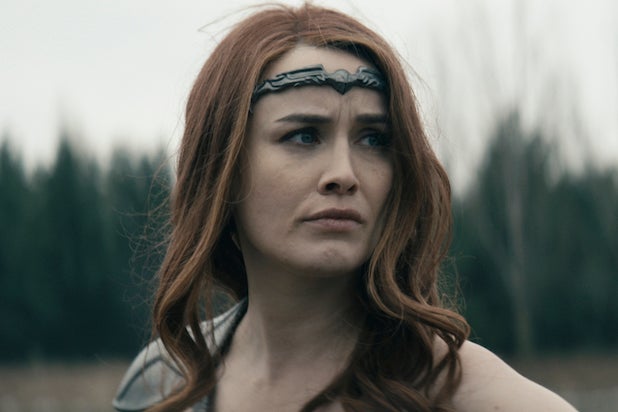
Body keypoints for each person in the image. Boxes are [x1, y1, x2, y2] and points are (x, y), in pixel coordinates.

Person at [113, 4, 577, 412]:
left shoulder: (463, 394)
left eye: (373, 139)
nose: (344, 174)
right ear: (223, 165)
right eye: (304, 135)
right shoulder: (163, 384)